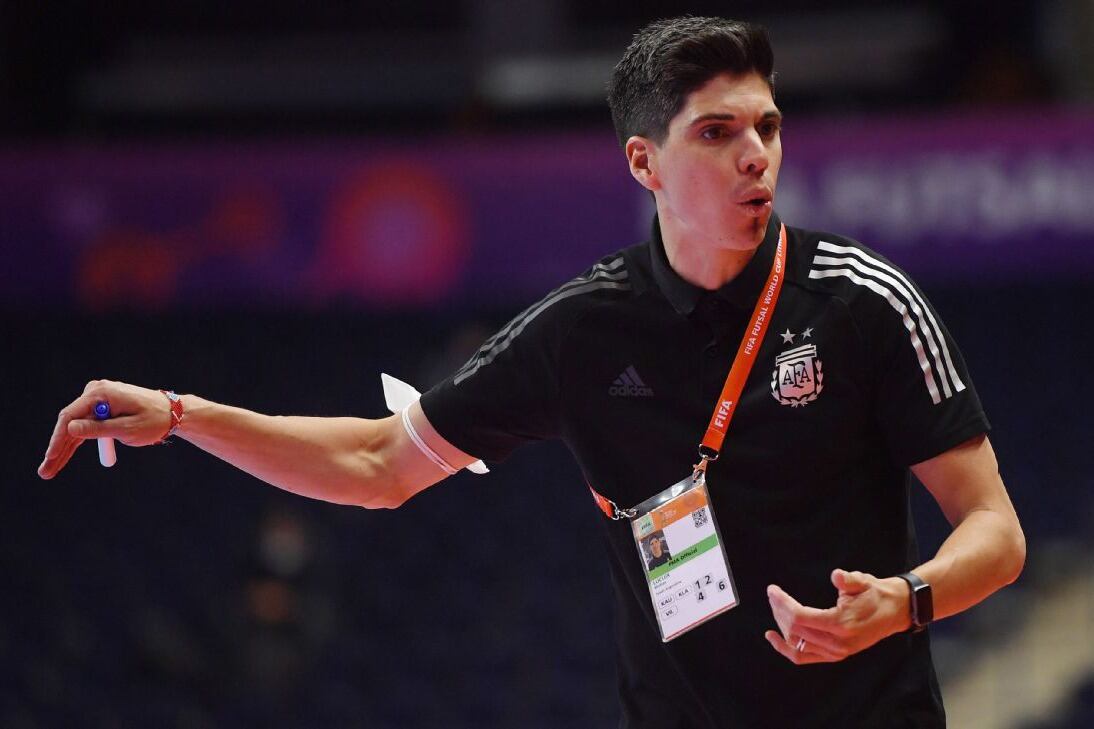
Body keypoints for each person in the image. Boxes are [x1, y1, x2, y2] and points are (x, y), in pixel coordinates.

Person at [39, 16, 1025, 728]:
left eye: (765, 127)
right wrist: (182, 414)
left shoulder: (861, 302)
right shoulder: (583, 331)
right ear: (644, 164)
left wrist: (904, 600)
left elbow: (994, 529)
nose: (753, 155)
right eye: (716, 134)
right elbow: (380, 465)